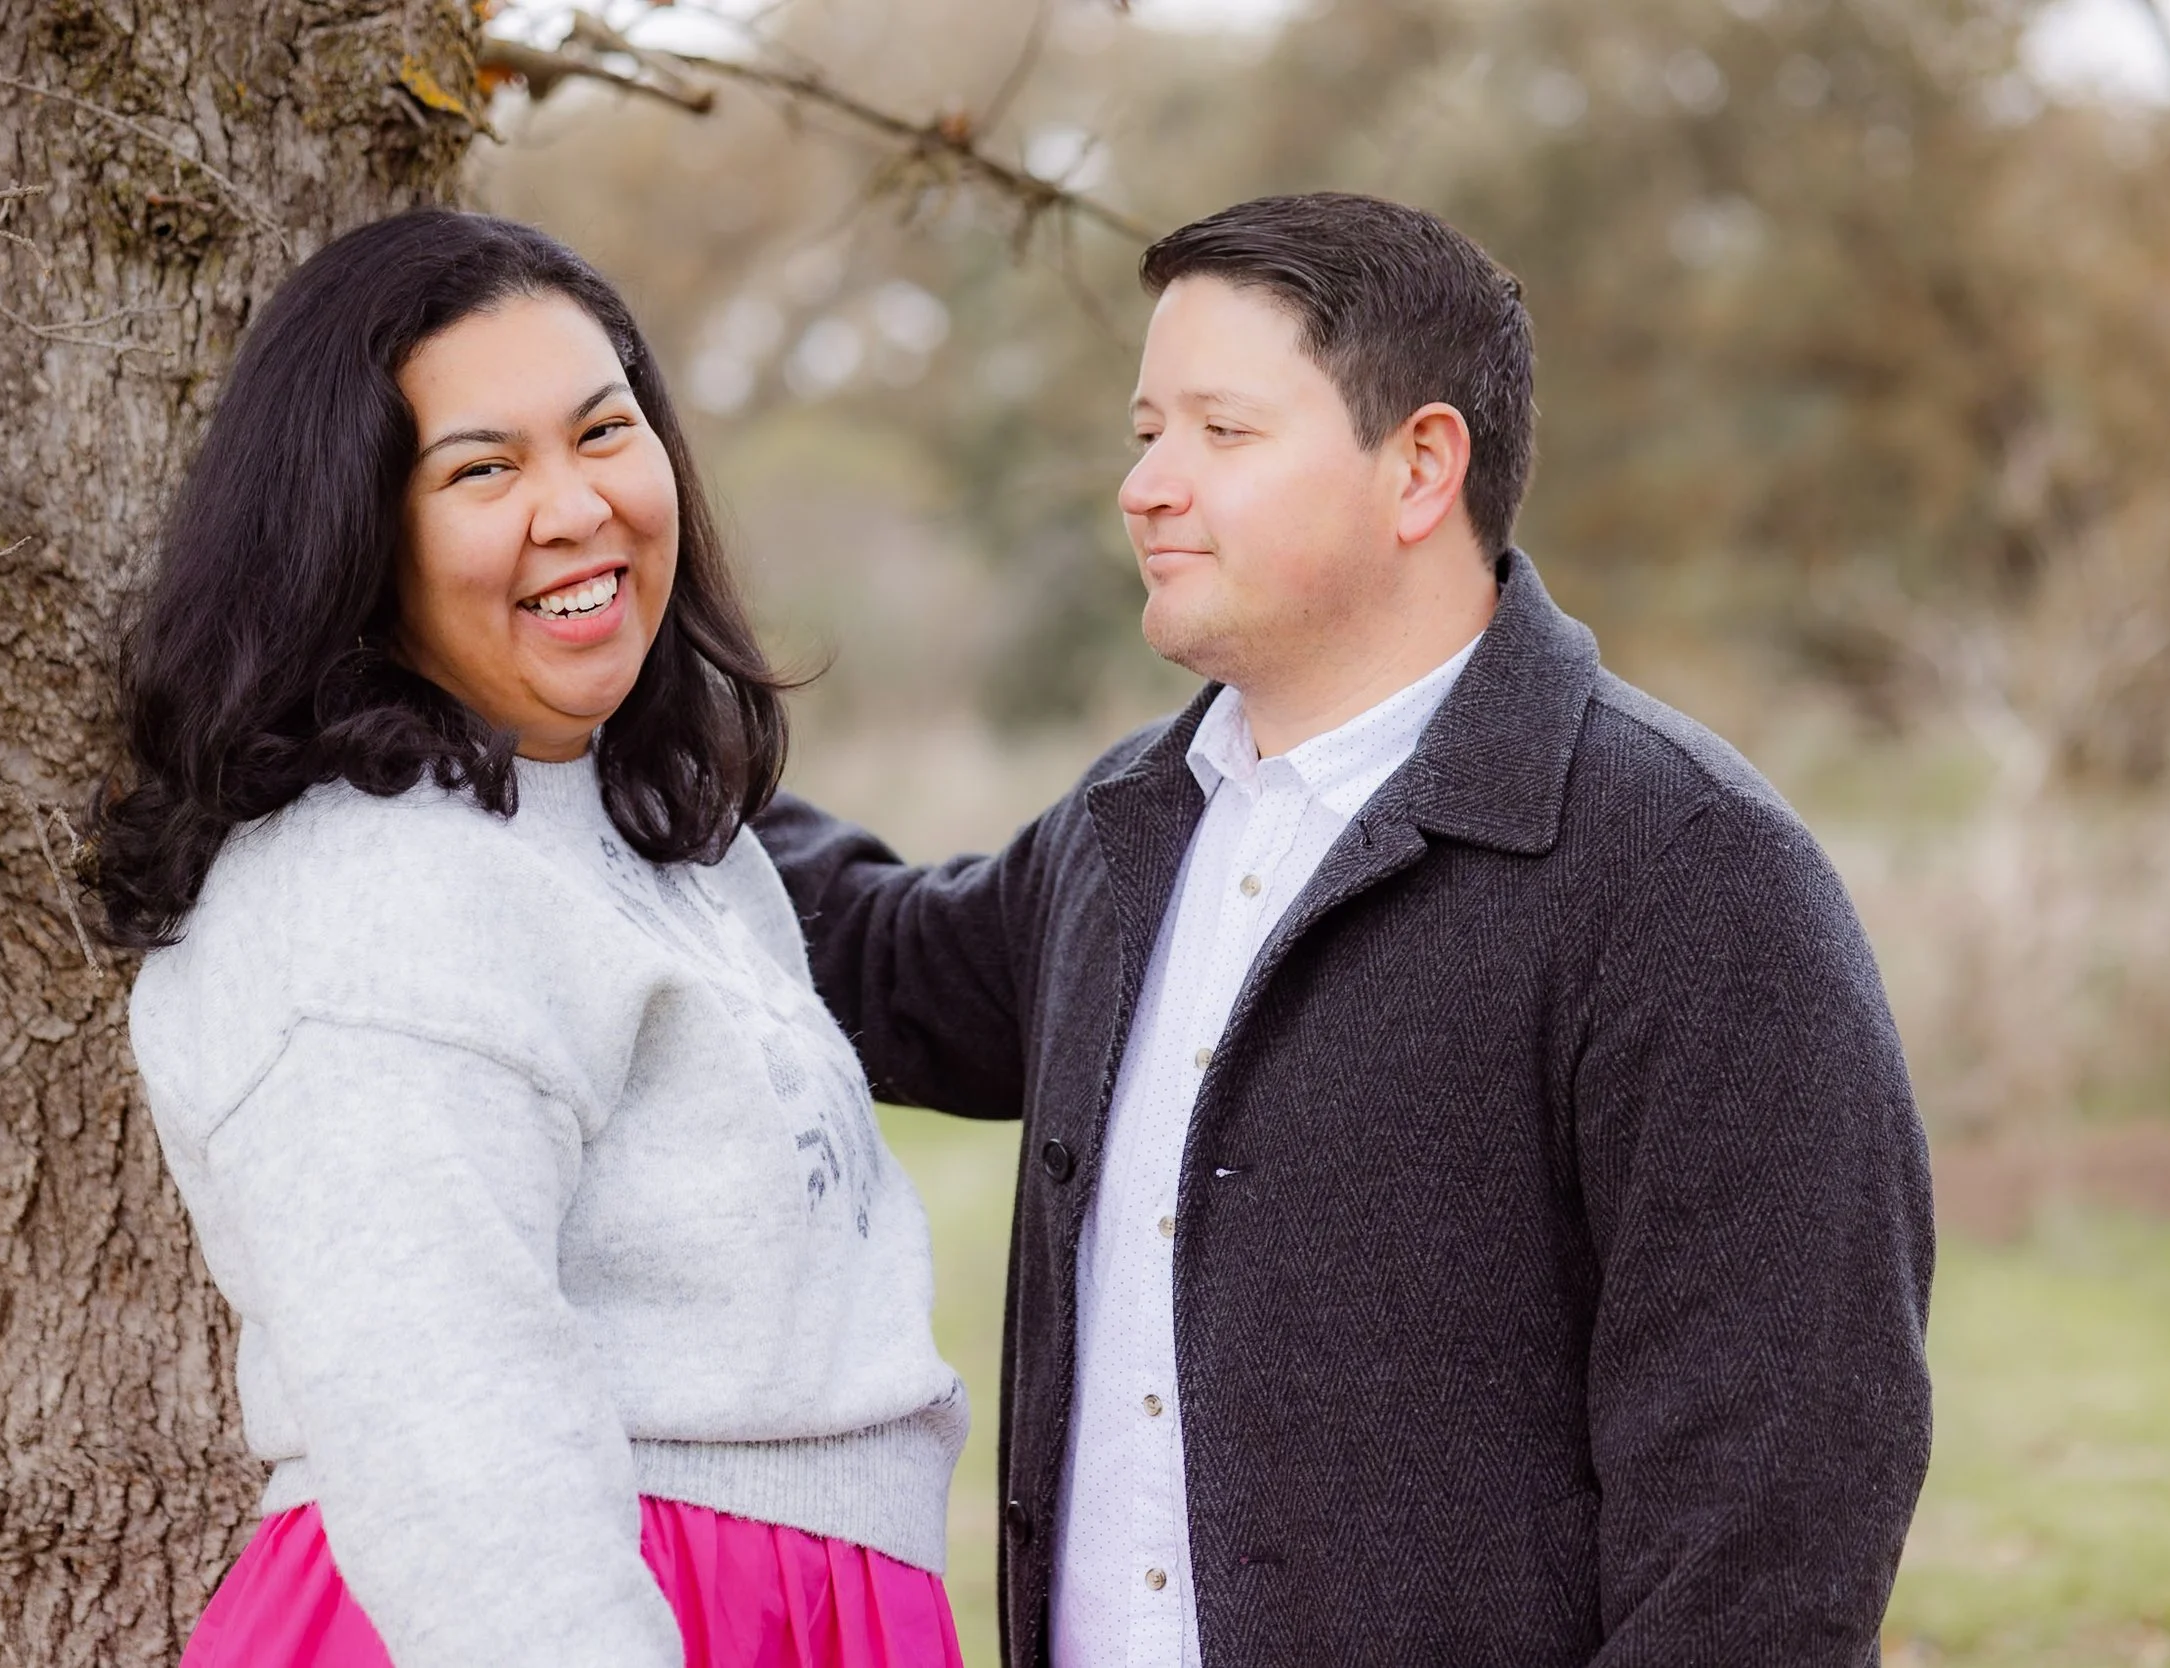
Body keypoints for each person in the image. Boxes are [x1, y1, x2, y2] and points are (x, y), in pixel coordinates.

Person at [756, 192, 1935, 1666]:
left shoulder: (1689, 873)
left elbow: (1771, 1537)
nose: (1146, 486)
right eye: (1143, 433)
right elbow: (870, 955)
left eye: (1221, 433)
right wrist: (621, 714)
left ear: (1421, 467)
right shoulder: (1128, 829)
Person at [95, 210, 969, 1668]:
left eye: (603, 432)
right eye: (483, 468)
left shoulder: (639, 831)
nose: (575, 508)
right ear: (357, 534)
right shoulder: (374, 894)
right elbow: (452, 1427)